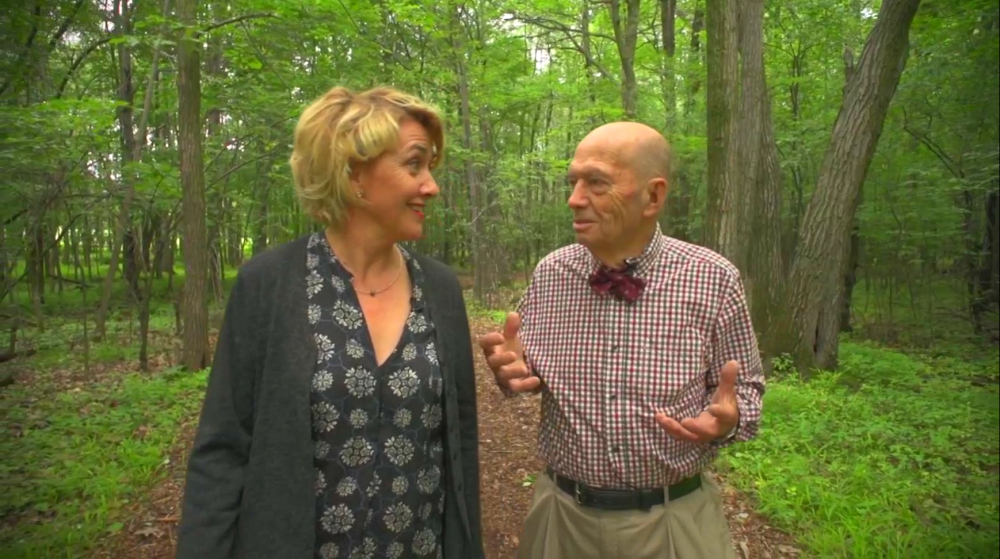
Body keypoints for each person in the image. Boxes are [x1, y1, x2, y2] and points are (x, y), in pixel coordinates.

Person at [175, 85, 484, 559]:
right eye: (414, 164)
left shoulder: (440, 290)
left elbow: (460, 449)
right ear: (355, 172)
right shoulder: (271, 284)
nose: (431, 186)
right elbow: (223, 449)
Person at [479, 121, 765, 559]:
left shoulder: (712, 278)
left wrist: (728, 420)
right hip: (561, 517)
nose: (574, 200)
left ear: (653, 195)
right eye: (573, 182)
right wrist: (511, 373)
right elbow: (526, 372)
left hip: (675, 524)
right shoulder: (552, 274)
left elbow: (745, 391)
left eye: (596, 183)